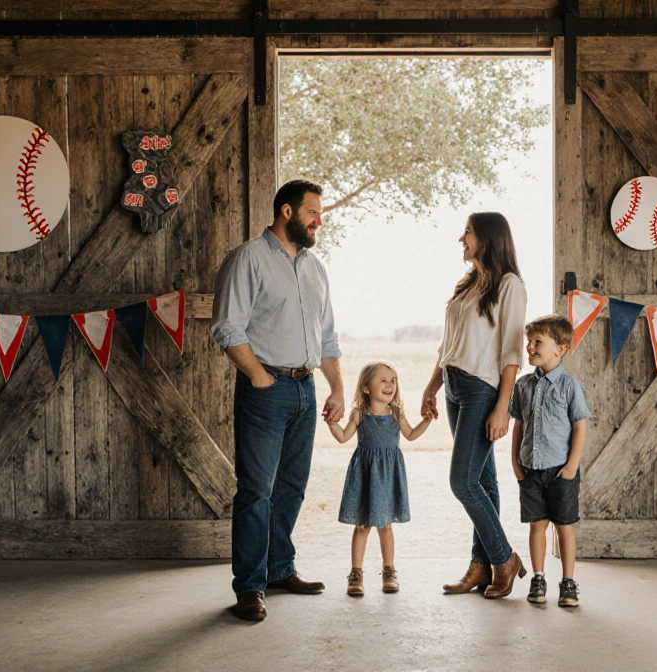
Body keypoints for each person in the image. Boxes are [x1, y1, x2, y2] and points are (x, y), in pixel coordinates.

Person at [211, 179, 344, 622]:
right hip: (265, 392)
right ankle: (249, 585)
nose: (319, 220)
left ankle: (279, 569)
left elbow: (327, 336)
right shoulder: (248, 259)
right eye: (313, 212)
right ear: (286, 212)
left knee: (291, 487)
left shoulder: (315, 267)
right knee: (255, 492)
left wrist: (337, 387)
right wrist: (259, 378)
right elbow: (228, 327)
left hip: (306, 389)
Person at [421, 212, 528, 599]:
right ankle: (480, 567)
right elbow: (447, 346)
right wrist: (432, 387)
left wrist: (502, 407)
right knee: (483, 480)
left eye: (467, 232)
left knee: (462, 481)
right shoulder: (467, 286)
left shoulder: (510, 285)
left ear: (487, 237)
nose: (460, 239)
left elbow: (512, 352)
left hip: (483, 390)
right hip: (454, 386)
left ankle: (504, 559)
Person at [328, 361, 432, 596]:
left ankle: (389, 570)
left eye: (393, 380)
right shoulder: (359, 414)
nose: (390, 385)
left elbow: (411, 434)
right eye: (383, 380)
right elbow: (343, 437)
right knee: (362, 525)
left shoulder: (396, 413)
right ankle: (356, 573)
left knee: (385, 526)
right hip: (365, 475)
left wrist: (426, 420)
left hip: (387, 476)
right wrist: (332, 423)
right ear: (366, 387)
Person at [508, 315, 589, 608]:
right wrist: (515, 461)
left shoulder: (570, 386)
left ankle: (568, 582)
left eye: (537, 342)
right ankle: (538, 577)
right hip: (530, 468)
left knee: (564, 525)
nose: (530, 347)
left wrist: (571, 466)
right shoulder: (523, 385)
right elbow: (518, 424)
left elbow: (580, 426)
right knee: (536, 525)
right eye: (529, 342)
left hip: (560, 471)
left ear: (561, 349)